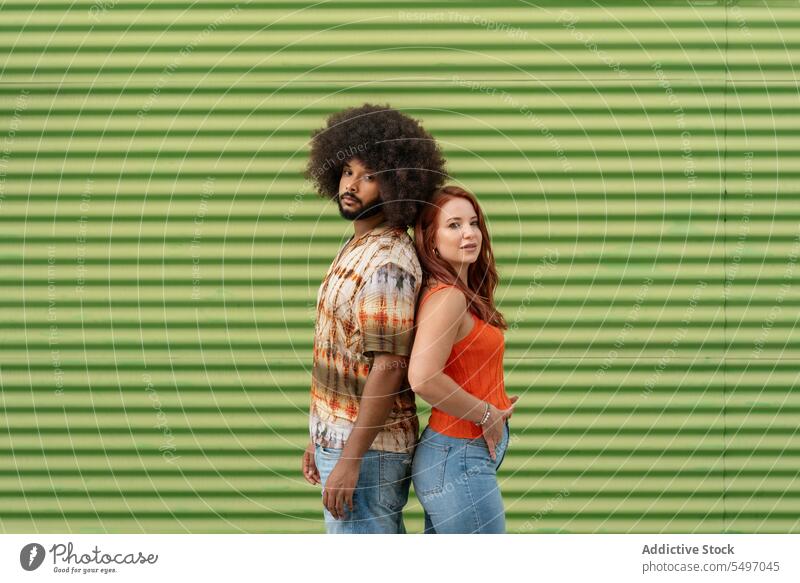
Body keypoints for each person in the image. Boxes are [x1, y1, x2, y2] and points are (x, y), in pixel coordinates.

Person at [300, 103, 447, 533]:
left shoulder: (388, 262)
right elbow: (341, 353)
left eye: (370, 177)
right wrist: (319, 435)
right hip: (342, 440)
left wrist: (349, 460)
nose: (352, 184)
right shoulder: (359, 245)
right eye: (348, 171)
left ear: (398, 184)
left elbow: (388, 368)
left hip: (369, 453)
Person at [408, 185, 517, 534]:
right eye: (453, 225)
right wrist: (486, 413)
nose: (470, 233)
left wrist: (493, 398)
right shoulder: (449, 298)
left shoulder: (462, 294)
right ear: (431, 240)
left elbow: (461, 363)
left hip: (458, 456)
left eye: (474, 223)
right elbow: (423, 377)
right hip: (457, 456)